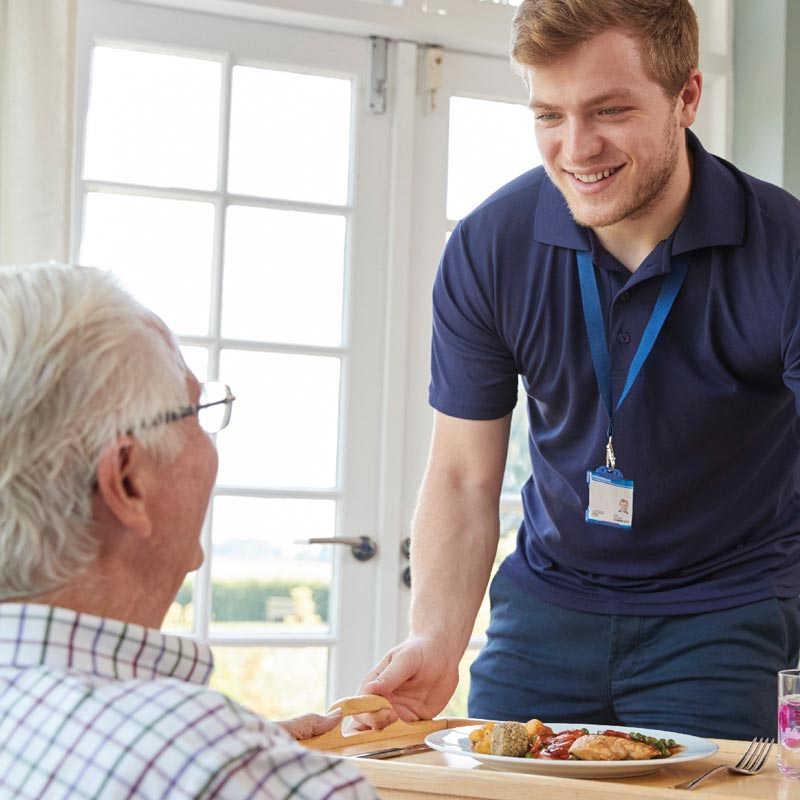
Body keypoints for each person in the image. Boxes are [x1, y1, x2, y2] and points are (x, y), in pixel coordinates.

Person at [357, 0, 800, 741]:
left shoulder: (785, 250)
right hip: (546, 612)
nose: (577, 148)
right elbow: (465, 478)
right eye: (548, 116)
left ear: (687, 96)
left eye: (609, 110)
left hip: (725, 612)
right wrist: (436, 639)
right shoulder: (489, 248)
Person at [0, 264, 377, 799]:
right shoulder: (216, 766)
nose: (210, 442)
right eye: (197, 411)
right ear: (127, 480)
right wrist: (253, 767)